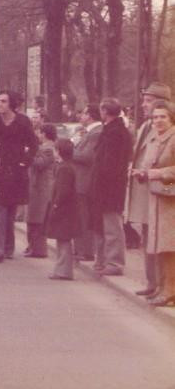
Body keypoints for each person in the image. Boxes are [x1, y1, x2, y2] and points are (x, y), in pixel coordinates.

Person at [127, 82, 171, 296]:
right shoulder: (146, 125)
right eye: (144, 100)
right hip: (144, 188)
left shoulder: (164, 128)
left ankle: (161, 285)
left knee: (159, 238)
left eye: (149, 101)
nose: (144, 105)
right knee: (148, 236)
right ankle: (152, 283)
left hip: (159, 190)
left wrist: (149, 173)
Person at [0, 90, 38, 263]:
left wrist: (25, 162)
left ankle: (9, 247)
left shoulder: (22, 121)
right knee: (1, 208)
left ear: (11, 104)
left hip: (16, 171)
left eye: (3, 101)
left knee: (11, 210)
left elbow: (33, 144)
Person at [90, 97, 134, 276]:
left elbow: (108, 163)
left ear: (104, 112)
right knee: (103, 224)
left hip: (109, 187)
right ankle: (103, 260)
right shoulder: (116, 130)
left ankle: (114, 262)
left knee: (111, 225)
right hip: (108, 185)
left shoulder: (114, 133)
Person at [47, 138, 81, 280]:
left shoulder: (64, 168)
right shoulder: (67, 166)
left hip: (64, 210)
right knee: (62, 239)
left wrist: (55, 204)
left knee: (63, 240)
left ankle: (63, 271)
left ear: (59, 151)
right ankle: (62, 269)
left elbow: (63, 190)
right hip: (67, 209)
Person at [71, 104, 102, 262]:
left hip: (85, 181)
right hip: (81, 180)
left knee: (84, 217)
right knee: (81, 216)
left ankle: (86, 251)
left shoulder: (95, 133)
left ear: (90, 115)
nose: (80, 117)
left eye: (83, 113)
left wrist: (68, 150)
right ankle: (81, 250)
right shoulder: (89, 132)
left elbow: (87, 156)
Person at [26, 124, 58, 258]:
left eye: (39, 133)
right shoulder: (44, 147)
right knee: (34, 218)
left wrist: (28, 154)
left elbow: (40, 164)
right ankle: (32, 247)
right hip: (38, 188)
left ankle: (38, 249)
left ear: (44, 134)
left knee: (38, 219)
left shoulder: (48, 148)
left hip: (41, 188)